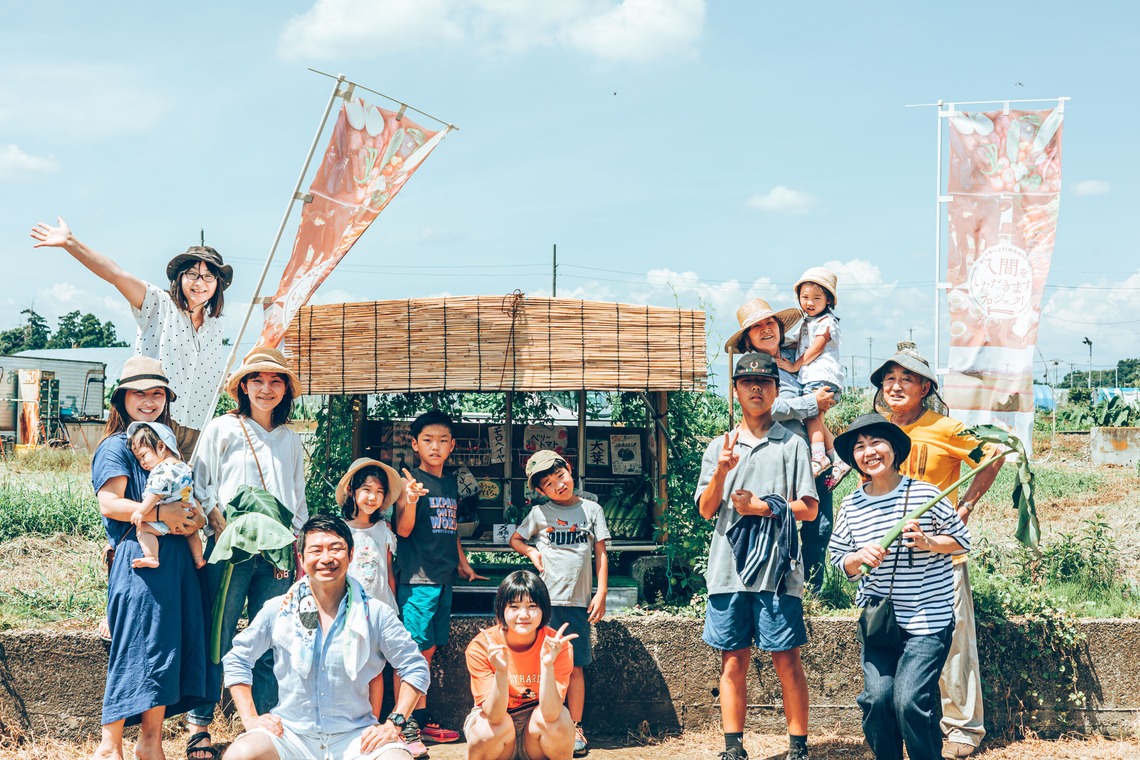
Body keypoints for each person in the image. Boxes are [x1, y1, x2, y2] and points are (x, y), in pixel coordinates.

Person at [870, 342, 1004, 760]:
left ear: (925, 387)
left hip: (941, 556)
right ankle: (916, 724)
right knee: (900, 646)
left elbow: (993, 456)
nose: (895, 386)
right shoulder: (878, 432)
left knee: (953, 643)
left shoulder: (945, 428)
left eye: (906, 379)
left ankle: (964, 727)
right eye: (889, 379)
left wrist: (965, 508)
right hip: (892, 564)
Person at [221, 515, 431, 760]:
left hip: (356, 737)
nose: (326, 558)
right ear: (301, 559)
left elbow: (415, 667)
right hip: (289, 735)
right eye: (316, 550)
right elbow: (237, 659)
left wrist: (394, 723)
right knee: (240, 754)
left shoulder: (375, 613)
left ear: (351, 554)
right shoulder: (279, 609)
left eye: (335, 548)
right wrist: (250, 718)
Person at [186, 348, 310, 758]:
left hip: (277, 552)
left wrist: (295, 547)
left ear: (285, 390)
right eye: (257, 380)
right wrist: (215, 518)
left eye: (275, 381)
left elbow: (297, 498)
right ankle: (199, 725)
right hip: (229, 546)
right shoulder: (223, 428)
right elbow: (199, 482)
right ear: (243, 386)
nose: (265, 388)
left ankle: (267, 726)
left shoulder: (290, 438)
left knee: (274, 636)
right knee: (217, 633)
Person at [696, 352, 819, 760]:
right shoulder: (719, 446)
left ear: (776, 390)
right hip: (727, 570)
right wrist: (721, 471)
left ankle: (798, 748)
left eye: (764, 382)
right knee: (733, 661)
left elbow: (809, 508)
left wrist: (763, 507)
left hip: (778, 571)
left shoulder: (793, 444)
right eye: (747, 382)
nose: (755, 388)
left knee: (787, 660)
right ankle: (733, 747)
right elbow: (706, 510)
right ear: (735, 390)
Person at [828, 413, 971, 760]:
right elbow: (838, 558)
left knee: (909, 701)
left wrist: (928, 542)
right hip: (880, 622)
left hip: (927, 619)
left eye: (877, 442)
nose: (869, 451)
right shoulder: (852, 504)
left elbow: (962, 541)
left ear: (894, 449)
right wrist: (858, 557)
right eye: (860, 447)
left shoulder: (926, 494)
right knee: (877, 701)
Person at [31, 217, 233, 457]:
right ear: (179, 277)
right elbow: (116, 274)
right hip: (155, 418)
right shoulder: (158, 303)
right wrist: (70, 243)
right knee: (143, 480)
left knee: (188, 482)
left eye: (208, 276)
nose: (200, 282)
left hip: (198, 427)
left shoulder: (215, 326)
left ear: (217, 284)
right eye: (192, 274)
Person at [90, 355, 209, 760]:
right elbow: (110, 503)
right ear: (121, 399)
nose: (148, 400)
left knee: (162, 650)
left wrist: (192, 518)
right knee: (133, 649)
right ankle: (110, 745)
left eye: (157, 393)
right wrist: (163, 512)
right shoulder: (116, 445)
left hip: (175, 560)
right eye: (138, 393)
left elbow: (191, 499)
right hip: (139, 557)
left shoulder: (168, 444)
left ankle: (150, 742)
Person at [725, 299, 837, 596]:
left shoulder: (796, 357)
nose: (766, 330)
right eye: (757, 327)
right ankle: (773, 587)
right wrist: (811, 403)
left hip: (812, 455)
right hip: (776, 456)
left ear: (779, 327)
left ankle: (813, 591)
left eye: (769, 323)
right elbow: (765, 408)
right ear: (747, 339)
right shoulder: (752, 370)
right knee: (777, 519)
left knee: (820, 524)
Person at [393, 409, 487, 756]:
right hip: (417, 580)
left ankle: (420, 716)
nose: (435, 446)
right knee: (411, 652)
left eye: (442, 440)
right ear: (415, 444)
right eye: (428, 440)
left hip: (443, 578)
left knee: (428, 651)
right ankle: (402, 722)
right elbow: (403, 530)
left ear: (452, 445)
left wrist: (463, 564)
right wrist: (411, 499)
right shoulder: (408, 482)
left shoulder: (449, 484)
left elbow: (451, 531)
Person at [510, 450, 610, 758]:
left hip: (578, 602)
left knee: (575, 666)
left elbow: (601, 553)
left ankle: (576, 726)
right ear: (541, 491)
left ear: (569, 469)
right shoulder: (539, 514)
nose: (559, 485)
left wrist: (601, 592)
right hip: (544, 604)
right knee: (544, 666)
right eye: (549, 484)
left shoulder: (592, 510)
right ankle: (540, 724)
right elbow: (515, 539)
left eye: (561, 476)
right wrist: (531, 552)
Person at [464, 570, 577, 760]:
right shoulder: (482, 647)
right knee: (486, 730)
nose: (523, 615)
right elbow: (494, 716)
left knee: (561, 722)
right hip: (499, 726)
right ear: (501, 609)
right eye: (514, 606)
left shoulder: (557, 646)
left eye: (532, 606)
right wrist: (501, 671)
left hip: (536, 730)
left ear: (544, 609)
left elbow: (550, 714)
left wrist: (547, 666)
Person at [775, 268, 849, 486]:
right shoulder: (808, 322)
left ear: (828, 300)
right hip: (815, 376)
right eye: (805, 297)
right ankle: (838, 457)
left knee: (811, 417)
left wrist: (793, 365)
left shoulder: (826, 322)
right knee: (816, 420)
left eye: (817, 298)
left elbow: (816, 347)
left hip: (821, 375)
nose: (809, 302)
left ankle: (818, 456)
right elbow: (799, 343)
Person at [126, 420, 225, 569]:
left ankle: (152, 557)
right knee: (192, 534)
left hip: (168, 518)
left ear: (161, 446)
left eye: (143, 455)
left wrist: (141, 511)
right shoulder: (183, 467)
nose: (142, 462)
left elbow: (155, 493)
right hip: (189, 515)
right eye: (139, 459)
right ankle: (198, 558)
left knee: (143, 529)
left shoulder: (162, 470)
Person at [339, 457, 404, 613]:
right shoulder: (340, 530)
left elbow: (389, 571)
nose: (373, 497)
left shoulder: (384, 529)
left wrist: (393, 607)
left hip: (381, 608)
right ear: (350, 490)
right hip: (350, 608)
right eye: (366, 490)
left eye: (379, 491)